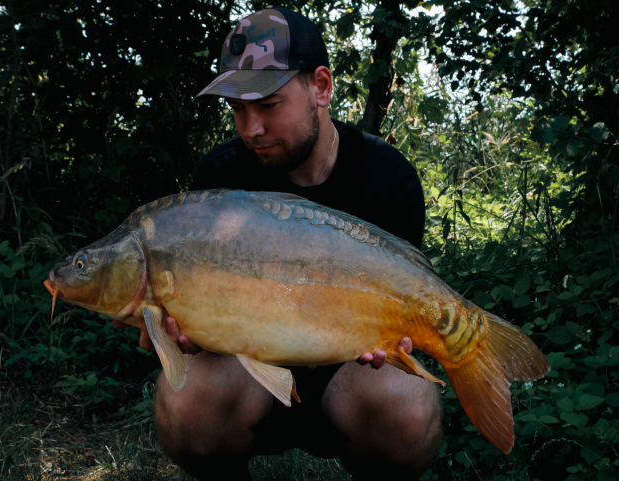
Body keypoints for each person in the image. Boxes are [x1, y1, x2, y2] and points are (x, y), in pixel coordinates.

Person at [115, 7, 441, 481]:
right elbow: (199, 318)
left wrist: (399, 340)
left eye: (267, 105)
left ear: (321, 88)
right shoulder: (221, 178)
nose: (251, 129)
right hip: (248, 372)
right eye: (237, 109)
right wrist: (178, 332)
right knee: (186, 406)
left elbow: (405, 303)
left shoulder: (387, 176)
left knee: (406, 409)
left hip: (351, 374)